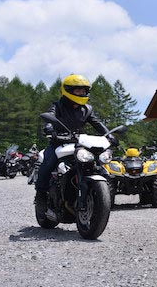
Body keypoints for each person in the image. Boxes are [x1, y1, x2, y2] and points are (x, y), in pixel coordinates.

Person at [35, 74, 115, 221]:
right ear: (68, 90)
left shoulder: (87, 109)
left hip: (77, 143)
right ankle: (41, 196)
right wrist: (49, 128)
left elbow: (97, 123)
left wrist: (109, 135)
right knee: (48, 162)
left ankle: (99, 197)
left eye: (84, 91)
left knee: (99, 164)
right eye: (78, 91)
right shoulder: (57, 105)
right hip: (58, 142)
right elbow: (50, 116)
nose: (82, 94)